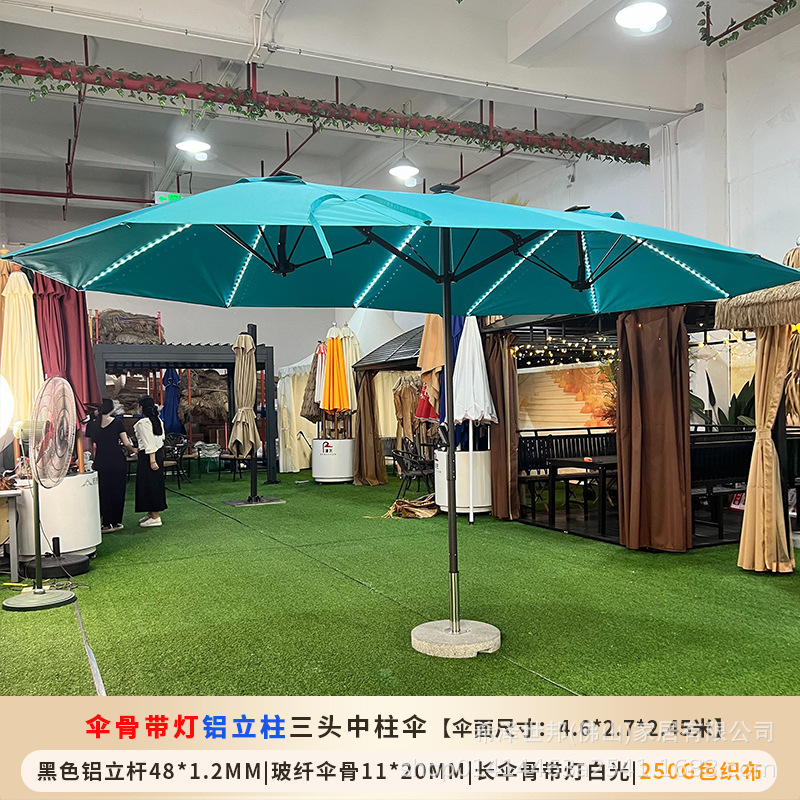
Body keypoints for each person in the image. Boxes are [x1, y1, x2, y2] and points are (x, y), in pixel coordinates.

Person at [86, 398, 136, 532]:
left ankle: (106, 523)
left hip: (101, 461)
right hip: (117, 460)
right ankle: (116, 521)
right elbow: (126, 443)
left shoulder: (92, 425)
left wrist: (92, 460)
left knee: (103, 492)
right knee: (118, 491)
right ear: (112, 408)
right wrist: (134, 450)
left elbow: (90, 449)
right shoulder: (117, 423)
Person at [134, 395, 167, 527]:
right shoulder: (158, 420)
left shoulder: (142, 423)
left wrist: (152, 461)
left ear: (141, 408)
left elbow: (149, 443)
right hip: (158, 453)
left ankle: (155, 516)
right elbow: (161, 439)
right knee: (153, 483)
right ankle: (150, 513)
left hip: (149, 456)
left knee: (149, 484)